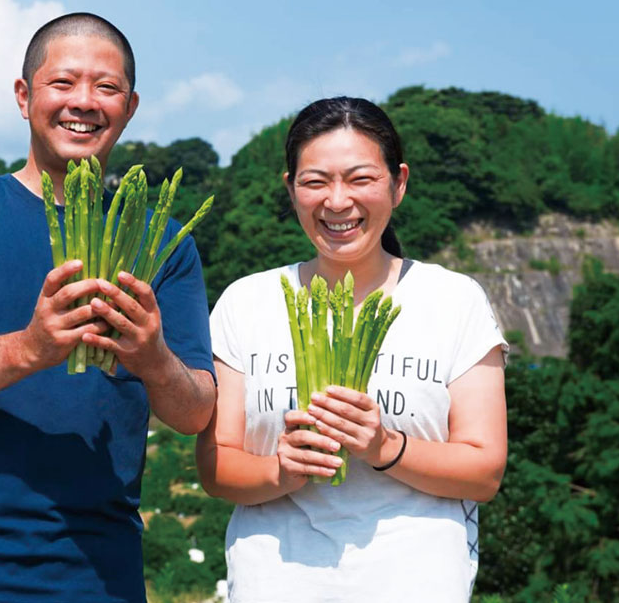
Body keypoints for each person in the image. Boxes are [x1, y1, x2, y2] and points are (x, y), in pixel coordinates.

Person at [0, 12, 216, 603]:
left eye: (106, 88)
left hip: (102, 578)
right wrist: (31, 348)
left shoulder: (166, 242)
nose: (83, 102)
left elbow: (195, 412)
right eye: (63, 83)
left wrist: (153, 356)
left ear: (130, 106)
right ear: (23, 95)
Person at [196, 96, 507, 602]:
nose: (337, 202)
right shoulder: (246, 302)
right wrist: (282, 469)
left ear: (398, 183)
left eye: (360, 178)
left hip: (416, 581)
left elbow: (485, 472)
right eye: (315, 181)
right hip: (274, 581)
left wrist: (384, 447)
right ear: (290, 189)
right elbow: (215, 467)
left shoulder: (454, 300)